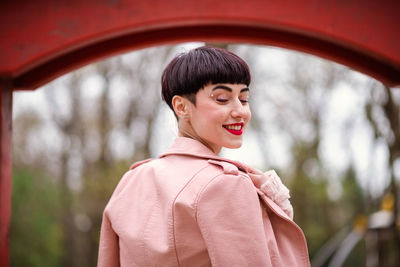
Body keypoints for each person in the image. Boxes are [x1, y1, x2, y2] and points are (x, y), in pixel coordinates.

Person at [97, 46, 310, 267]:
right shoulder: (225, 183)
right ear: (182, 107)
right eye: (222, 99)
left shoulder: (131, 180)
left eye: (244, 99)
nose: (240, 111)